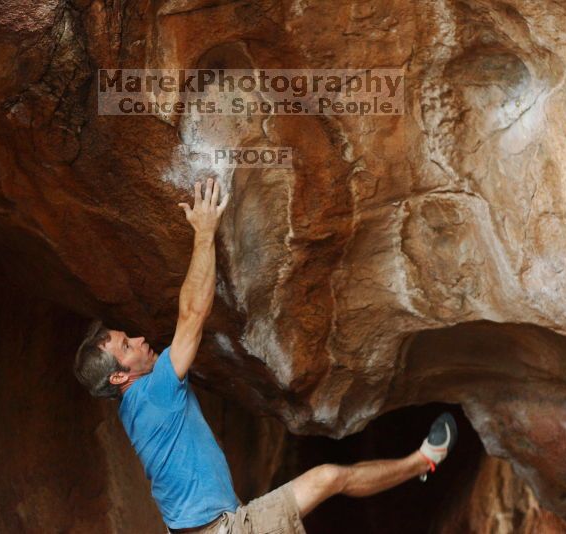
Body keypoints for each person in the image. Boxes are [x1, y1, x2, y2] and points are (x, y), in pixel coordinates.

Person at [74, 178, 458, 533]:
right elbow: (192, 315)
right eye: (127, 346)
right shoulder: (153, 393)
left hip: (224, 524)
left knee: (330, 478)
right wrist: (204, 233)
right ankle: (423, 461)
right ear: (119, 377)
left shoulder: (134, 407)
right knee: (328, 477)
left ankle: (421, 462)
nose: (140, 340)